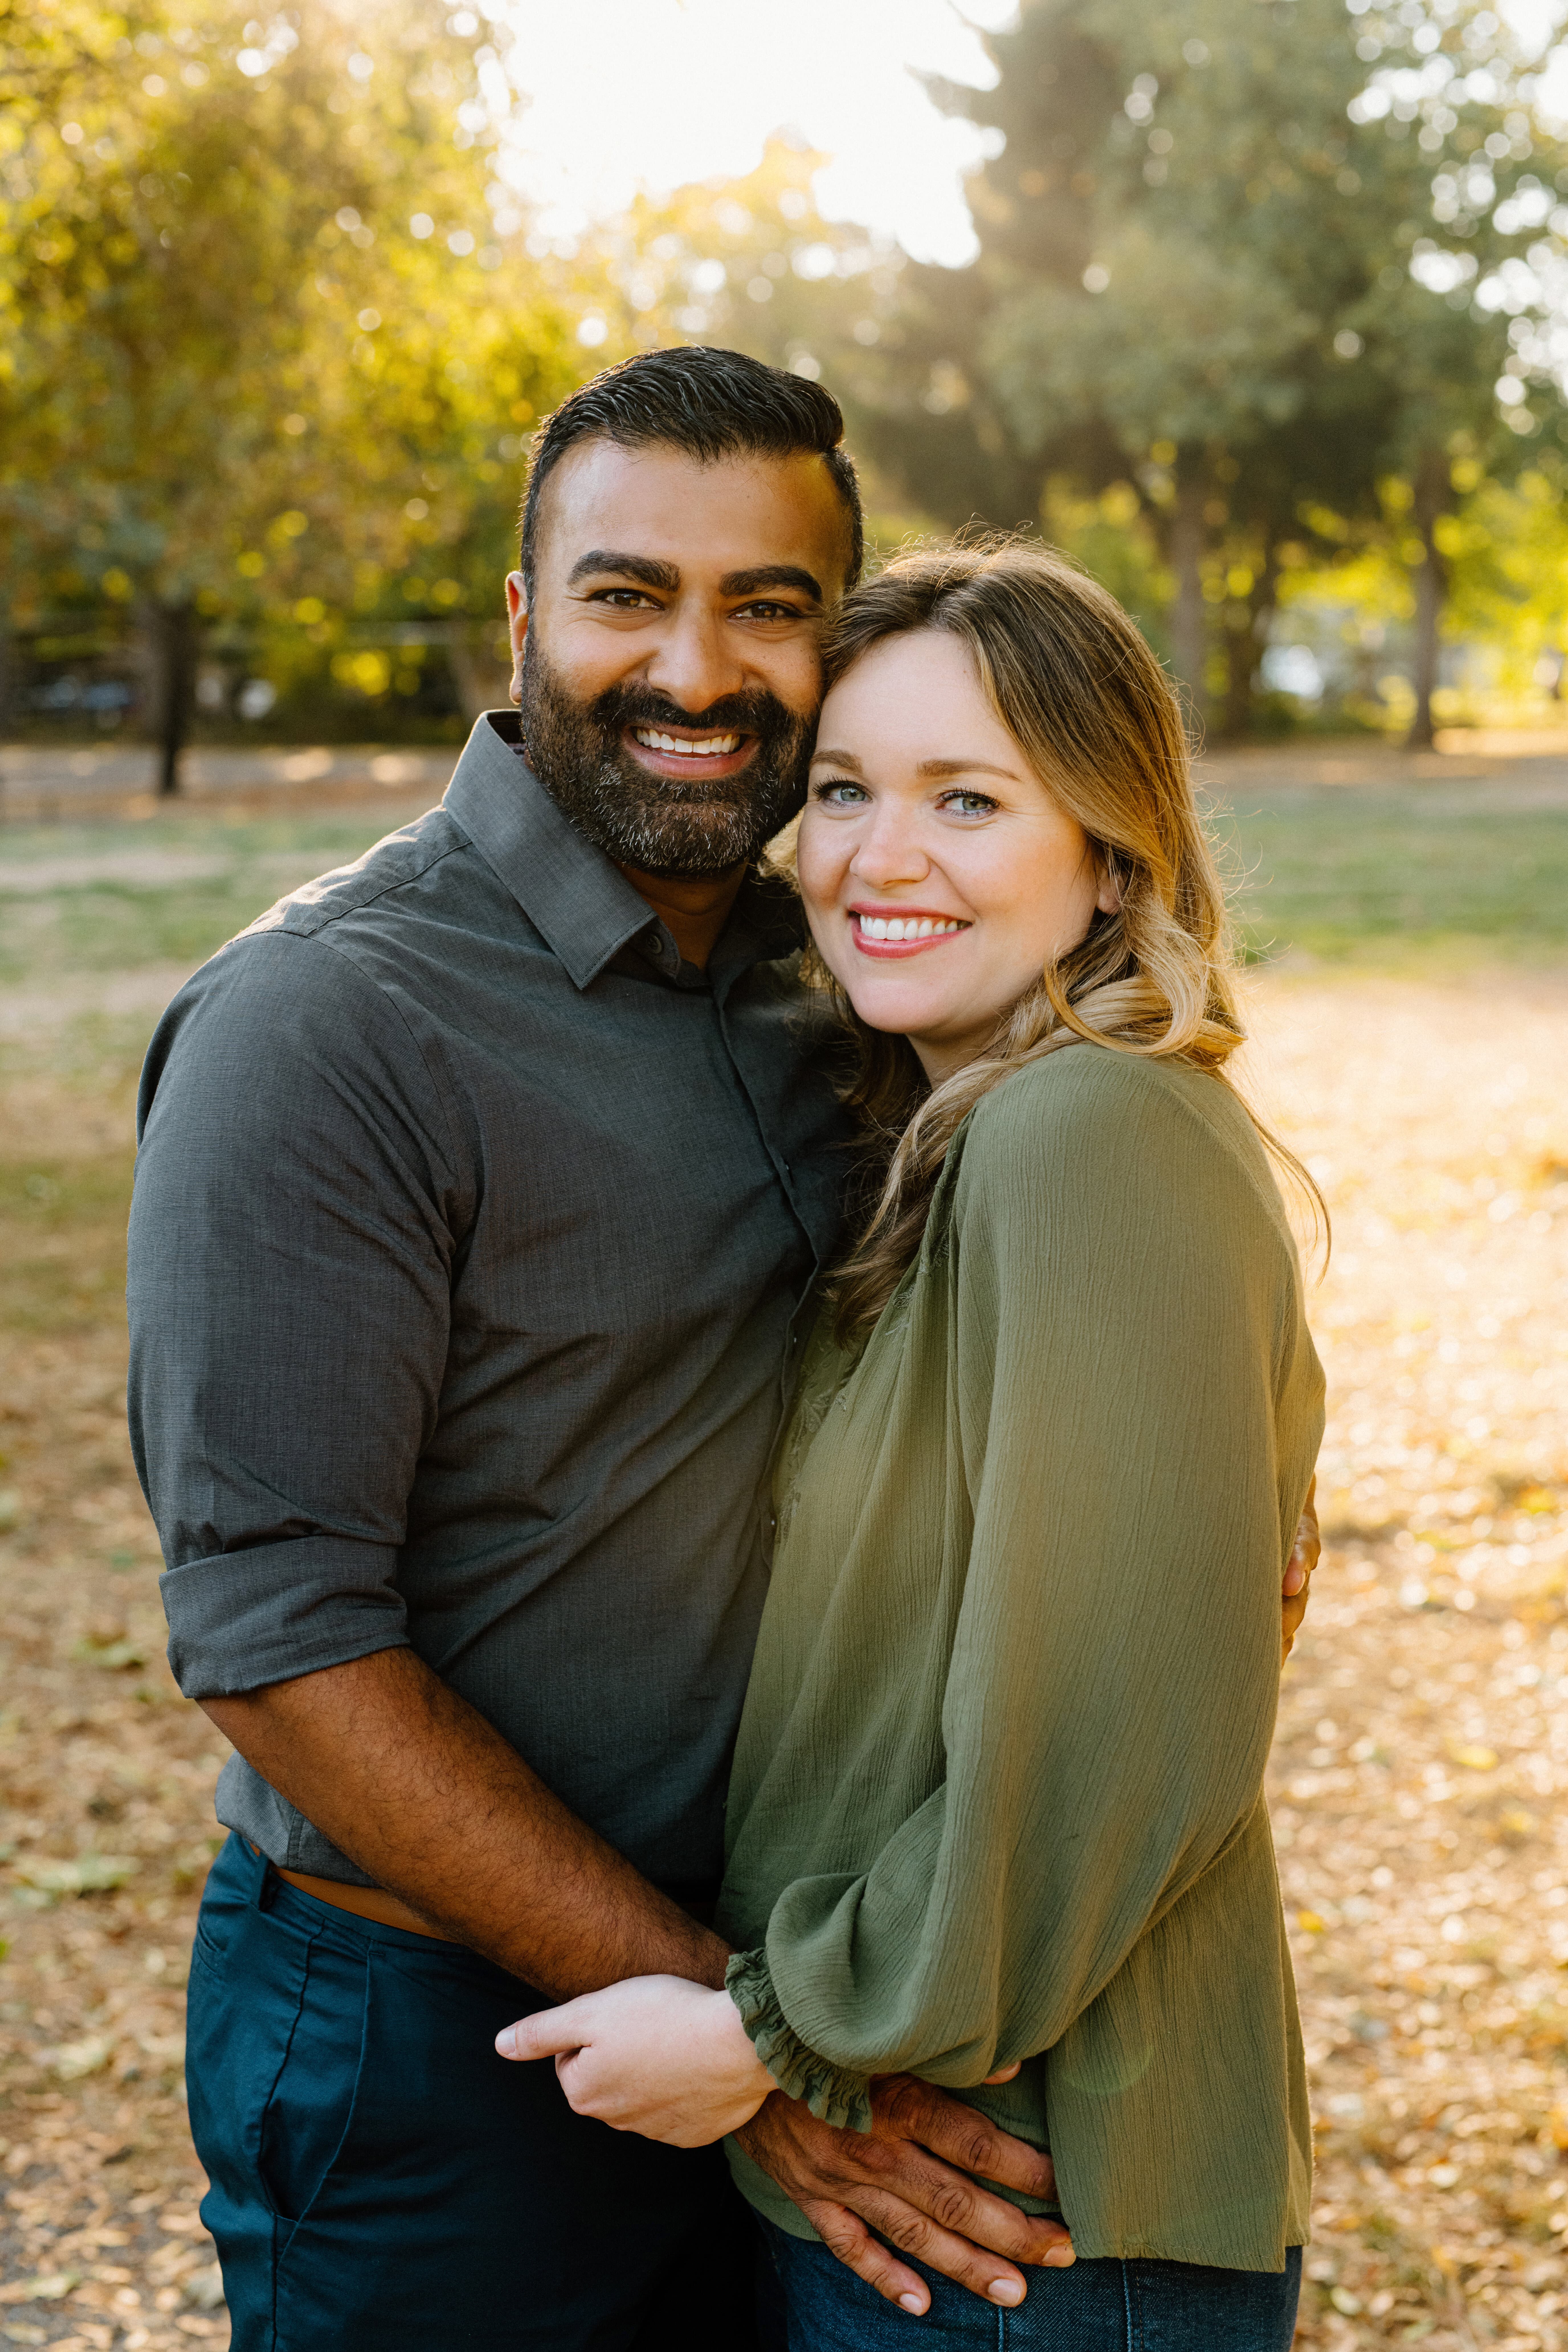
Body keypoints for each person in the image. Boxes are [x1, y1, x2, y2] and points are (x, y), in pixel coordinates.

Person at [129, 349, 1318, 2347]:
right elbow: (278, 1639)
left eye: (767, 607)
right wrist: (776, 2053)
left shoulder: (853, 982)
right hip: (453, 2041)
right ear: (524, 618)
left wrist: (1207, 1518)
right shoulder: (320, 1028)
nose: (697, 668)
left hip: (805, 1988)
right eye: (625, 594)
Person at [499, 541, 1326, 2351]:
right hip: (961, 2188)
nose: (882, 856)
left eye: (969, 799)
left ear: (1110, 848)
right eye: (848, 790)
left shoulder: (1085, 1136)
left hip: (1035, 2211)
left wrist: (770, 2033)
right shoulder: (966, 1139)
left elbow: (1120, 1725)